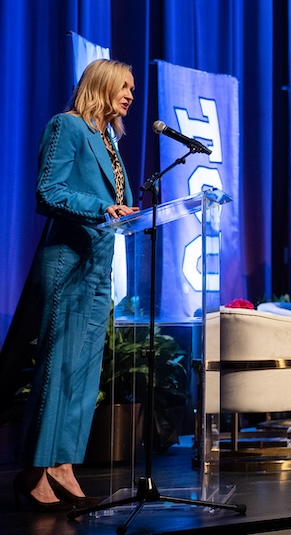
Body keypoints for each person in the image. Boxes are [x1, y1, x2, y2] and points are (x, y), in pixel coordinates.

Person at [15, 59, 139, 512]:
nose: (129, 94)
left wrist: (121, 214)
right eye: (123, 86)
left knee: (84, 375)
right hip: (68, 262)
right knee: (57, 369)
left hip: (98, 267)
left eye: (131, 88)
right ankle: (34, 473)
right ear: (101, 84)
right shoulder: (67, 126)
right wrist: (102, 208)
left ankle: (62, 465)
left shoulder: (108, 138)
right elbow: (48, 191)